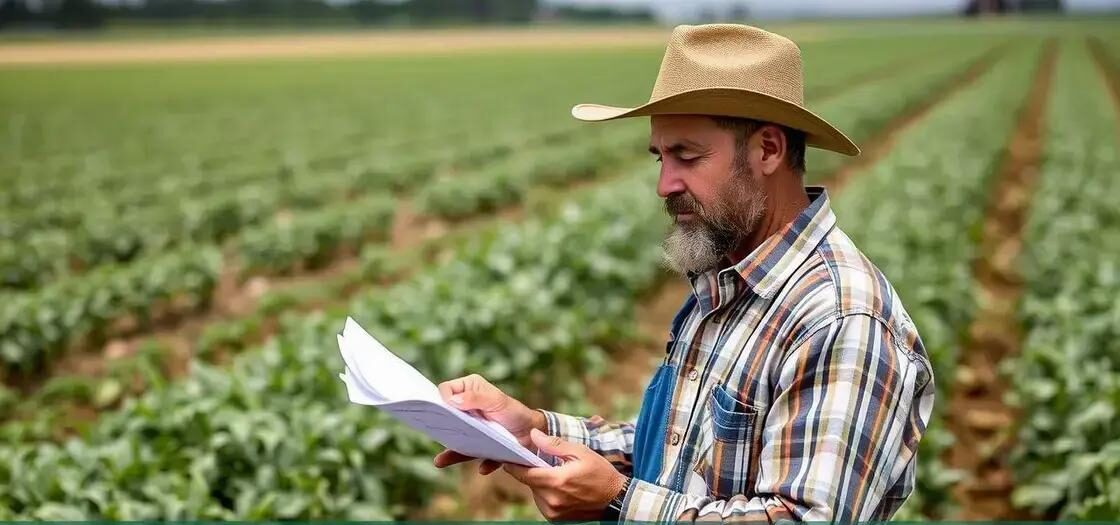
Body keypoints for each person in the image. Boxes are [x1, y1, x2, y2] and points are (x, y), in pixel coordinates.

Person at [433, 24, 934, 522]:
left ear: (768, 150)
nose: (664, 184)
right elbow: (683, 452)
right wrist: (532, 431)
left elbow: (802, 517)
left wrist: (616, 496)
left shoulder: (841, 320)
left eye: (686, 156)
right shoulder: (729, 277)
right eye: (660, 156)